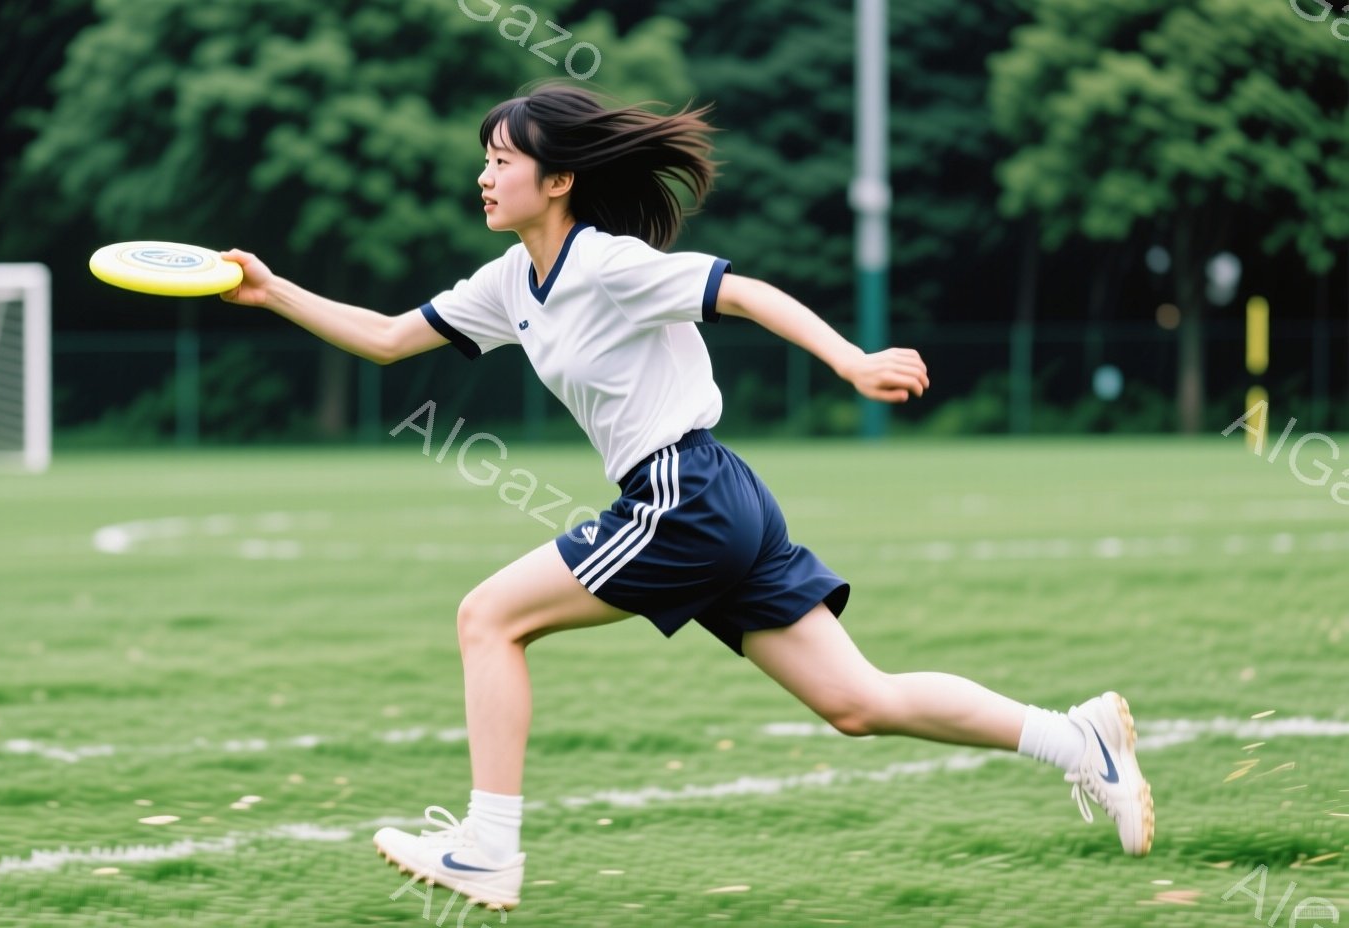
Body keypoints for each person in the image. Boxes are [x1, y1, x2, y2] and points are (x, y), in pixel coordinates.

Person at [218, 83, 1153, 912]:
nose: (483, 177)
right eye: (485, 160)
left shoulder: (606, 263)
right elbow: (387, 338)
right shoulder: (512, 283)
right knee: (856, 701)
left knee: (488, 618)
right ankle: (1077, 741)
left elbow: (742, 293)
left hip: (684, 495)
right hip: (714, 494)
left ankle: (489, 850)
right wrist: (272, 292)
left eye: (501, 160)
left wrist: (850, 360)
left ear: (559, 180)